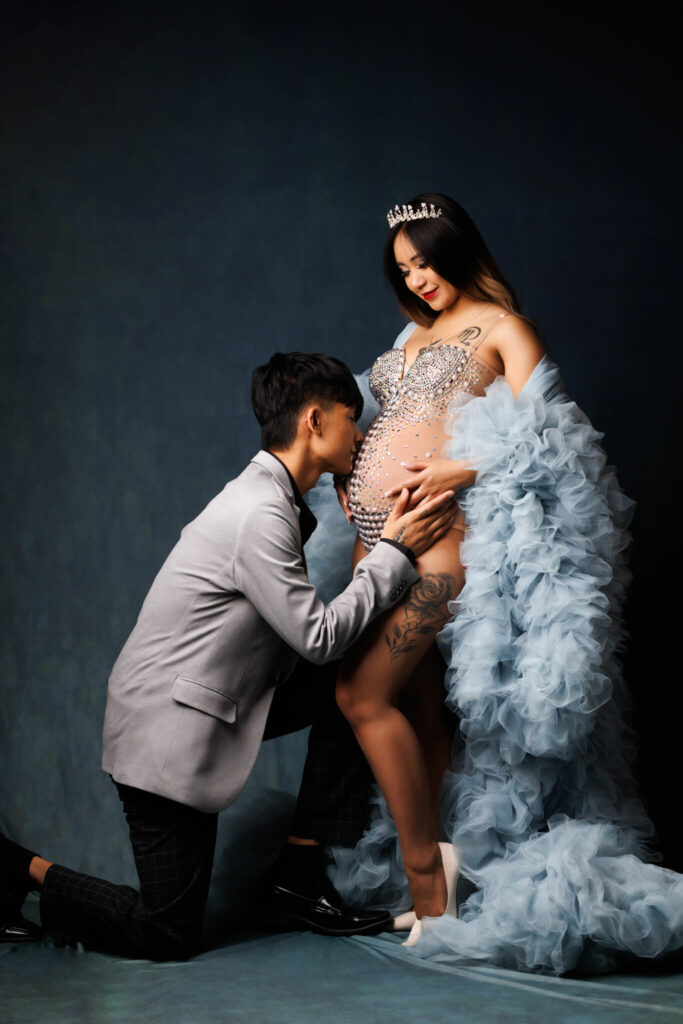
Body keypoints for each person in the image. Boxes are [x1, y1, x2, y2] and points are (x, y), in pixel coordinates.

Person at [309, 193, 683, 972]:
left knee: (359, 696)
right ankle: (446, 868)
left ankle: (428, 893)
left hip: (439, 546)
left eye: (427, 262)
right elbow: (385, 420)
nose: (419, 281)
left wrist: (456, 466)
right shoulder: (411, 333)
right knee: (420, 715)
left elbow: (560, 440)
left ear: (458, 249)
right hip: (374, 547)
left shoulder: (505, 328)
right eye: (404, 269)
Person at [0, 350, 457, 960]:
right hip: (167, 730)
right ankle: (16, 868)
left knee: (355, 687)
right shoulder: (258, 512)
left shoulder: (272, 494)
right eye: (354, 419)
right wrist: (393, 554)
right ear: (315, 421)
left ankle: (297, 876)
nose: (364, 434)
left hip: (219, 704)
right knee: (166, 934)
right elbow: (317, 635)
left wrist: (355, 500)